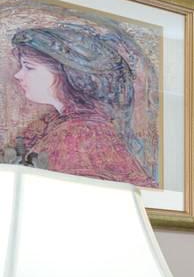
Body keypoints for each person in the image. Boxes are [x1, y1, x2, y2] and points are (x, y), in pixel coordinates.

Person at [6, 22, 154, 187]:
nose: (18, 75)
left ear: (66, 74)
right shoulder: (54, 123)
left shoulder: (81, 133)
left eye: (29, 67)